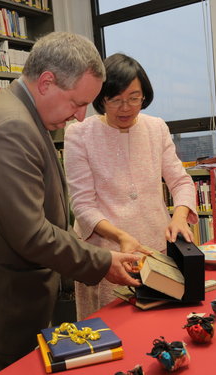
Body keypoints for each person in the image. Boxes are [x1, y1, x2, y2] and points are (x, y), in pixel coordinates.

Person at [0, 33, 143, 375]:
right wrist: (103, 262)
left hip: (4, 291)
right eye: (76, 103)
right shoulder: (9, 127)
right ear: (46, 82)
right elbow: (30, 233)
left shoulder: (22, 115)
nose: (81, 117)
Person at [64, 53, 199, 320]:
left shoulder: (156, 127)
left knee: (157, 325)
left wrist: (180, 216)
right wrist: (121, 237)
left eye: (134, 98)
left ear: (144, 95)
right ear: (101, 98)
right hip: (108, 256)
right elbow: (82, 205)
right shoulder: (79, 133)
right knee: (111, 328)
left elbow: (180, 180)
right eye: (115, 99)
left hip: (155, 250)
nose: (125, 108)